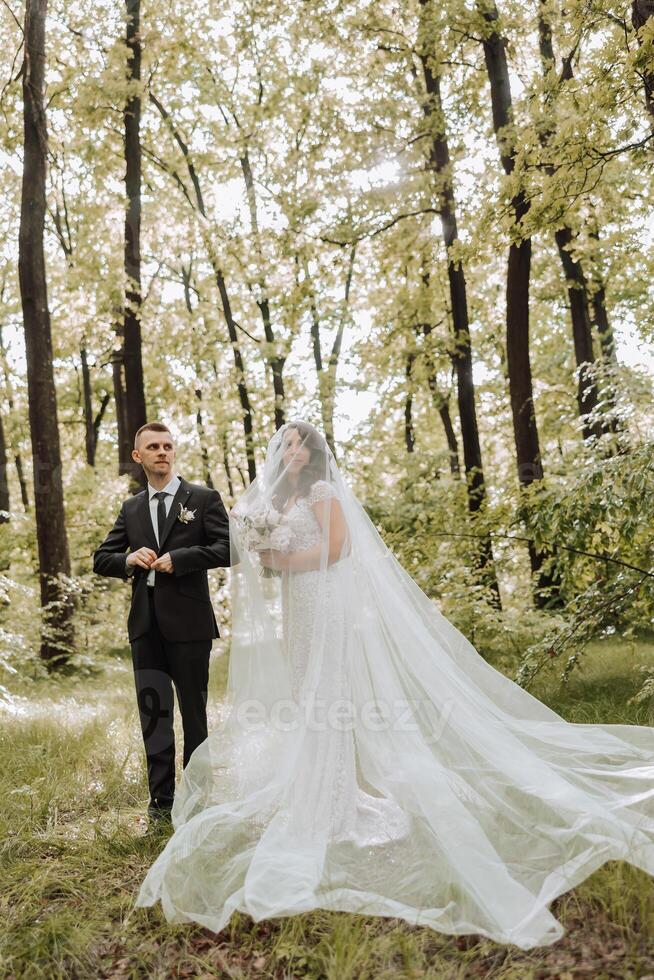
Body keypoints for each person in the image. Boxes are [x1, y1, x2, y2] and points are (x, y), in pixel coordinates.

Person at [134, 419, 654, 949]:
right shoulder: (283, 501)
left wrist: (281, 559)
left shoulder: (322, 490)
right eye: (286, 444)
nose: (291, 451)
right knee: (307, 695)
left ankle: (333, 804)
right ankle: (326, 790)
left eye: (300, 445)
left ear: (314, 455)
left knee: (327, 694)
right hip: (299, 605)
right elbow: (273, 556)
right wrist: (269, 562)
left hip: (326, 602)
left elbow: (338, 550)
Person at [93, 422, 231, 825]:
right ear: (139, 457)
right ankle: (161, 805)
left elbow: (229, 548)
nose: (162, 452)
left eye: (168, 446)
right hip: (145, 626)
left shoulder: (203, 499)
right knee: (154, 715)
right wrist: (127, 559)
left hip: (189, 625)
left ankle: (197, 802)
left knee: (194, 713)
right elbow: (102, 558)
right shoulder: (131, 508)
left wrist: (183, 558)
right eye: (152, 447)